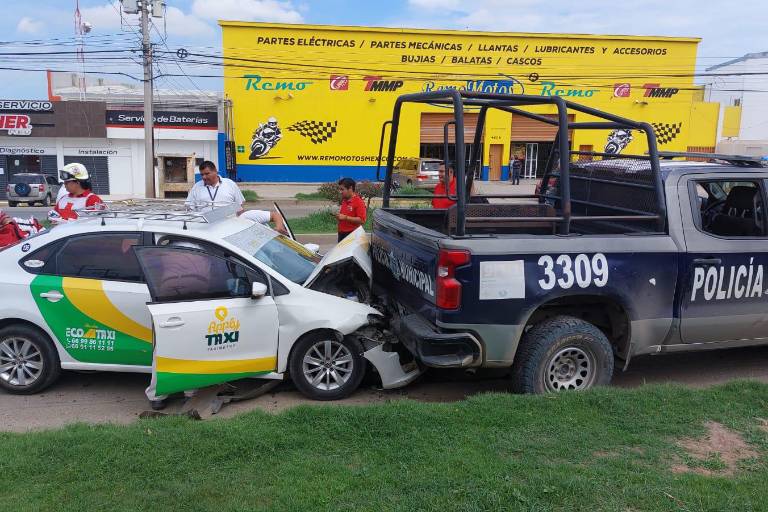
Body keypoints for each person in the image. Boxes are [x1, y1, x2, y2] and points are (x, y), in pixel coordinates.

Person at [335, 177, 366, 242]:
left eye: (342, 189)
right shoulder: (345, 200)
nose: (340, 192)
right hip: (341, 234)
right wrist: (340, 217)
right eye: (340, 189)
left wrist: (345, 218)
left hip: (352, 235)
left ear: (350, 188)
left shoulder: (359, 202)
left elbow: (362, 220)